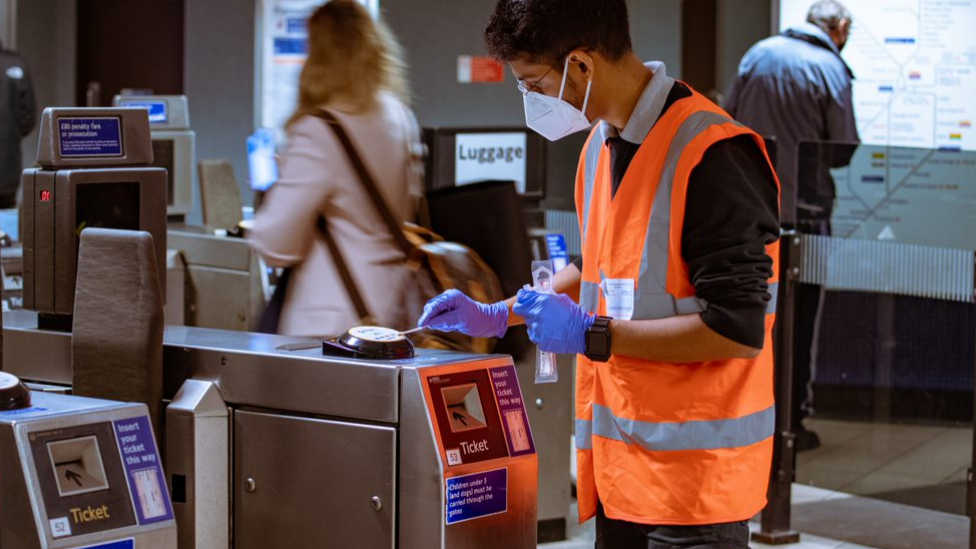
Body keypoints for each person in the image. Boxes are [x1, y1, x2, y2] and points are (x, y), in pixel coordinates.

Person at [418, 1, 780, 547]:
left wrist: (592, 334)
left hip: (695, 493)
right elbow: (601, 264)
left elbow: (737, 329)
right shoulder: (600, 147)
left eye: (534, 83)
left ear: (582, 66)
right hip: (623, 478)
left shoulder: (712, 154)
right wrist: (502, 312)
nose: (532, 101)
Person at [725, 0, 859, 451]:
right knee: (800, 324)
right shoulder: (831, 67)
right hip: (804, 217)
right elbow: (843, 148)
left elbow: (728, 125)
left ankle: (753, 417)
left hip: (749, 214)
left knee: (754, 317)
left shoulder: (756, 54)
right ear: (838, 28)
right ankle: (791, 425)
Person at [250, 0, 422, 338]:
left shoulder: (320, 129)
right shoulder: (399, 116)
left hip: (333, 320)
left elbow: (277, 245)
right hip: (394, 308)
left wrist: (278, 191)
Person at [0, 38, 36, 209]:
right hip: (7, 163)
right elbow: (28, 118)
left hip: (8, 161)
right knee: (5, 221)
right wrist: (11, 134)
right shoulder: (16, 64)